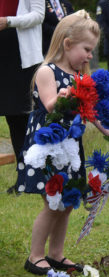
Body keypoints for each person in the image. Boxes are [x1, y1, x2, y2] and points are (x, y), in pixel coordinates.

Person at [19, 10, 109, 275]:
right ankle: (35, 256)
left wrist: (108, 130)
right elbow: (51, 105)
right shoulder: (46, 72)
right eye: (86, 49)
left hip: (70, 148)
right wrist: (66, 94)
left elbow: (90, 111)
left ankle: (56, 253)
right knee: (52, 204)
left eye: (91, 50)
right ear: (67, 44)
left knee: (67, 204)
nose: (89, 56)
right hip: (49, 148)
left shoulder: (78, 77)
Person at [0, 0, 45, 194]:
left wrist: (8, 21)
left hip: (22, 56)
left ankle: (35, 176)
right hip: (3, 53)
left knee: (27, 118)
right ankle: (22, 179)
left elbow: (38, 15)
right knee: (11, 116)